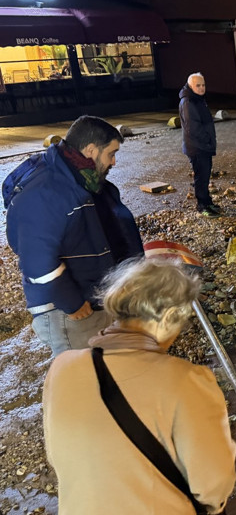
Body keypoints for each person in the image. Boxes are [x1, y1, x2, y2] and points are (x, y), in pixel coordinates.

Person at [43, 258, 236, 515]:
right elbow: (212, 484)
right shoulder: (187, 380)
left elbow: (60, 455)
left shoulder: (62, 368)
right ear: (169, 317)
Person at [4, 115, 143, 356]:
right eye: (111, 153)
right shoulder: (47, 191)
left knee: (104, 370)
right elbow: (37, 263)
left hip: (93, 297)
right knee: (82, 377)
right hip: (72, 313)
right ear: (91, 150)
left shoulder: (81, 179)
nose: (115, 161)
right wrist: (72, 304)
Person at [180, 72, 221, 217]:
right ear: (191, 86)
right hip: (197, 147)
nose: (202, 88)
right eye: (198, 85)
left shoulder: (198, 99)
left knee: (205, 175)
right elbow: (193, 128)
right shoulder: (188, 102)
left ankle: (207, 202)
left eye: (203, 85)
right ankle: (202, 206)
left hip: (202, 145)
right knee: (201, 177)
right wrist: (207, 141)